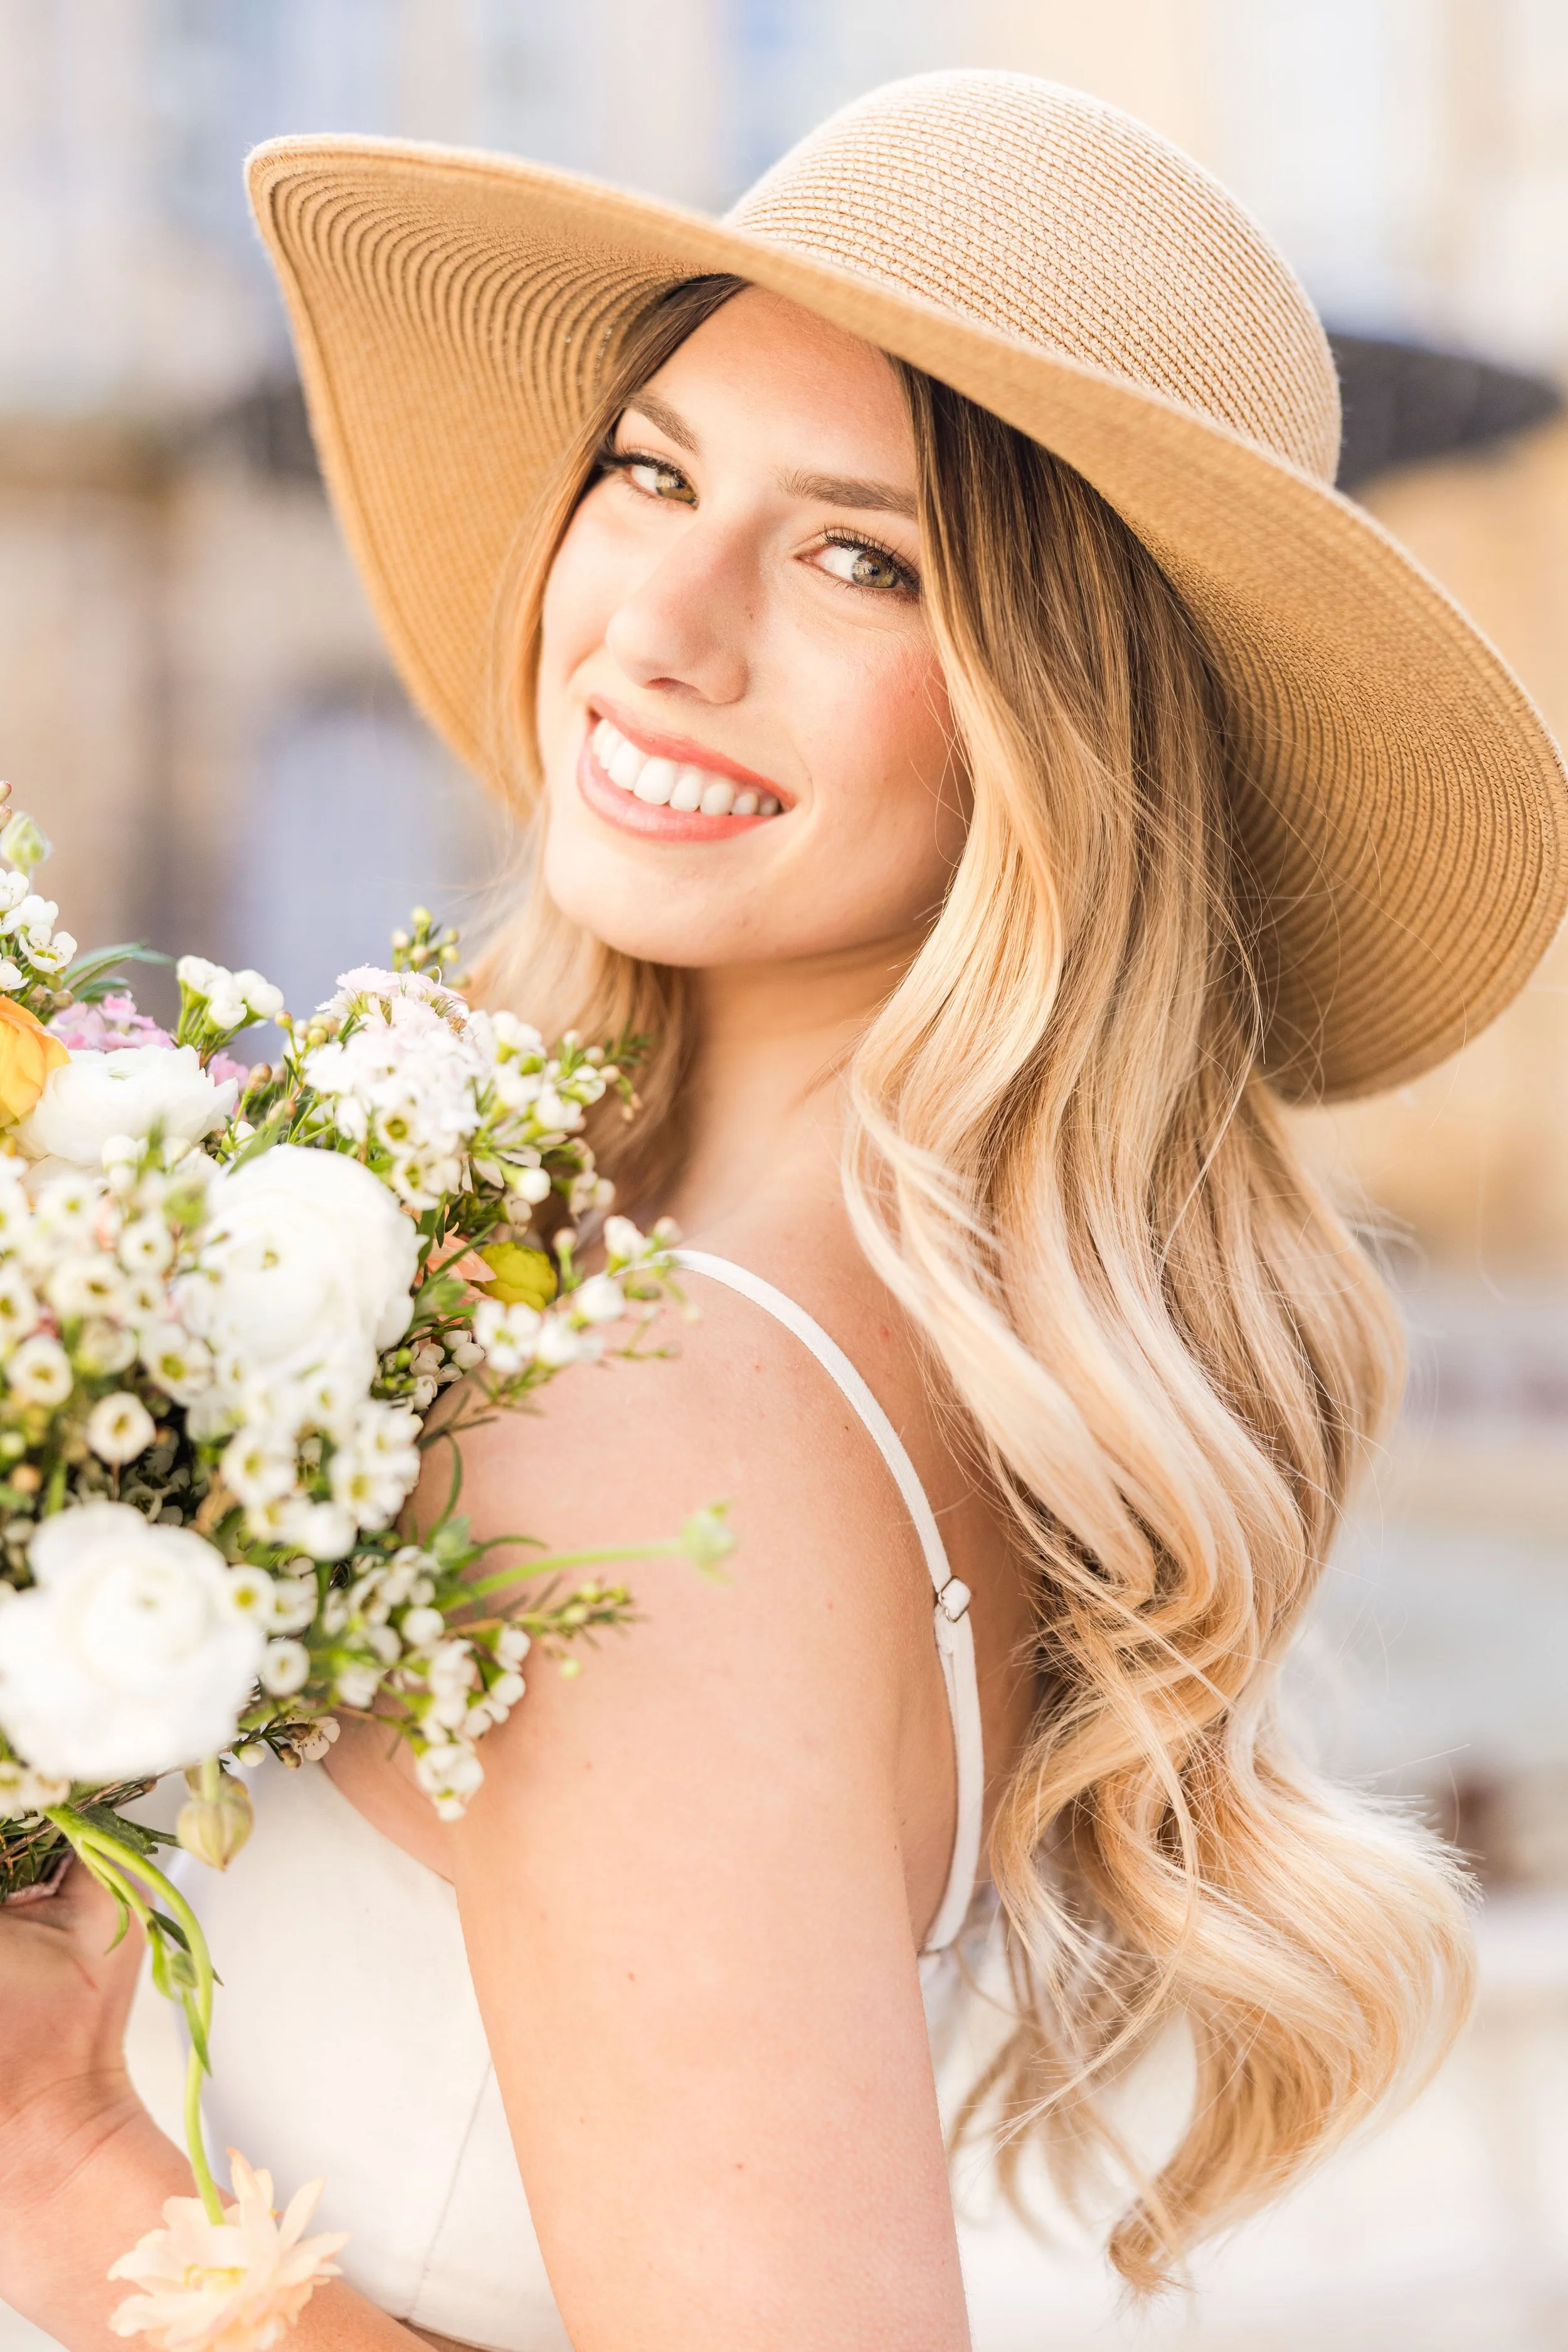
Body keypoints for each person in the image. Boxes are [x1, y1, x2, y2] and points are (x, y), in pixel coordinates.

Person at [1, 70, 1563, 2352]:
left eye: (862, 560)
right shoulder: (690, 1334)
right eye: (651, 471)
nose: (661, 620)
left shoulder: (651, 1429)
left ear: (1060, 734)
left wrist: (63, 2167)